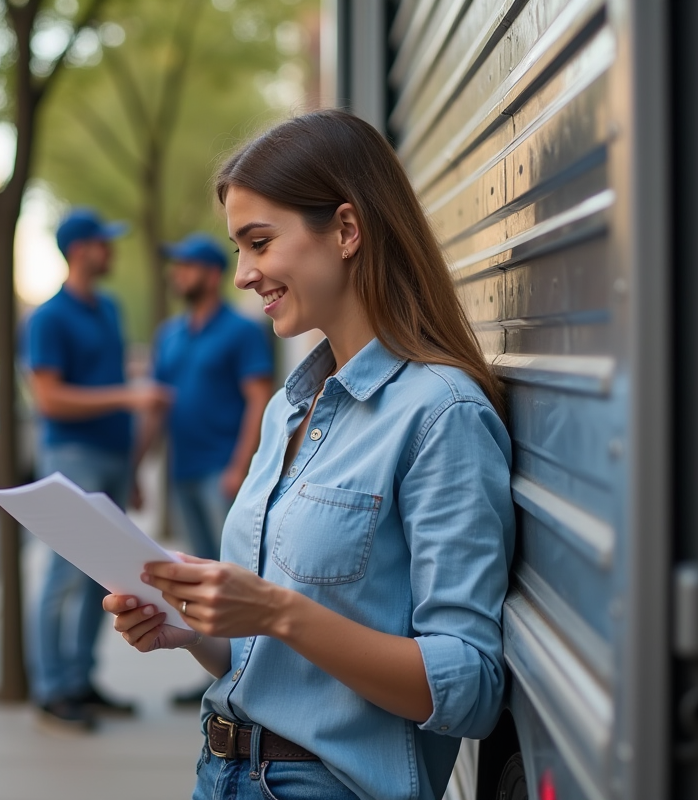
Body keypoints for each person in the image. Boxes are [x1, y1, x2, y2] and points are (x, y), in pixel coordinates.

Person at [104, 110, 514, 800]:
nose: (242, 274)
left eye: (259, 242)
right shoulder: (290, 409)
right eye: (237, 248)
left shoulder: (442, 413)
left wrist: (273, 610)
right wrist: (189, 630)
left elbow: (468, 687)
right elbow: (264, 657)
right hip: (222, 772)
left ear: (347, 230)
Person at [25, 207, 167, 733]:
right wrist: (130, 396)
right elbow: (49, 399)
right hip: (72, 457)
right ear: (82, 249)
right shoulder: (48, 318)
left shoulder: (108, 308)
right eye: (105, 243)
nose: (113, 250)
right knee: (64, 576)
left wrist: (131, 468)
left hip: (109, 458)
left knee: (98, 578)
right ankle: (51, 688)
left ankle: (80, 680)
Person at [134, 232, 274, 707]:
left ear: (212, 274)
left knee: (230, 572)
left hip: (222, 472)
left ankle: (252, 673)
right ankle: (217, 668)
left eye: (186, 266)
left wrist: (239, 465)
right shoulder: (169, 334)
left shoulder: (242, 332)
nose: (178, 274)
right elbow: (157, 407)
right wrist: (137, 467)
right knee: (198, 574)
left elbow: (259, 399)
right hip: (184, 472)